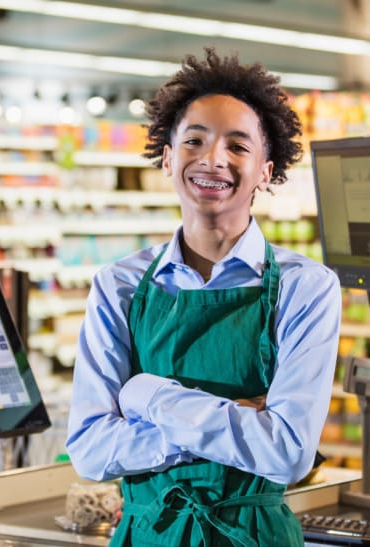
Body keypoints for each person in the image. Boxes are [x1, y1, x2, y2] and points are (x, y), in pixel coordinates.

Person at [65, 48, 341, 546]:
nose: (213, 158)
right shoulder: (119, 285)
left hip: (254, 536)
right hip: (147, 534)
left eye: (238, 146)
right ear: (169, 159)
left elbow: (288, 454)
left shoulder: (306, 287)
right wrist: (235, 420)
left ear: (266, 171)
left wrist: (147, 396)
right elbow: (89, 450)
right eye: (195, 140)